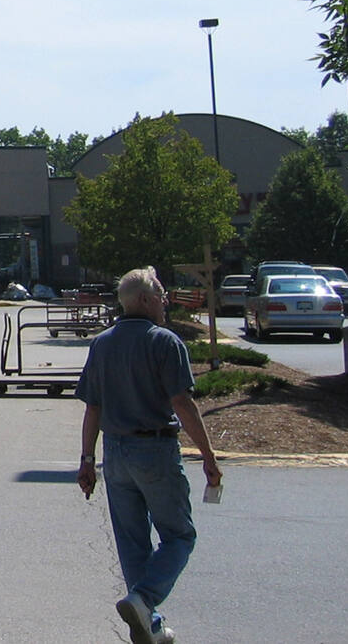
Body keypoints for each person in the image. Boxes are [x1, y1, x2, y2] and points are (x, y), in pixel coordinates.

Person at [76, 266, 221, 644]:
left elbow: (93, 407)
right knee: (179, 536)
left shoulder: (102, 344)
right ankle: (144, 599)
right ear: (143, 300)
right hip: (154, 448)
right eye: (159, 293)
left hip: (116, 453)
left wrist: (87, 461)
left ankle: (148, 624)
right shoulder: (164, 342)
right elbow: (182, 403)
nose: (165, 299)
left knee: (132, 542)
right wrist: (207, 454)